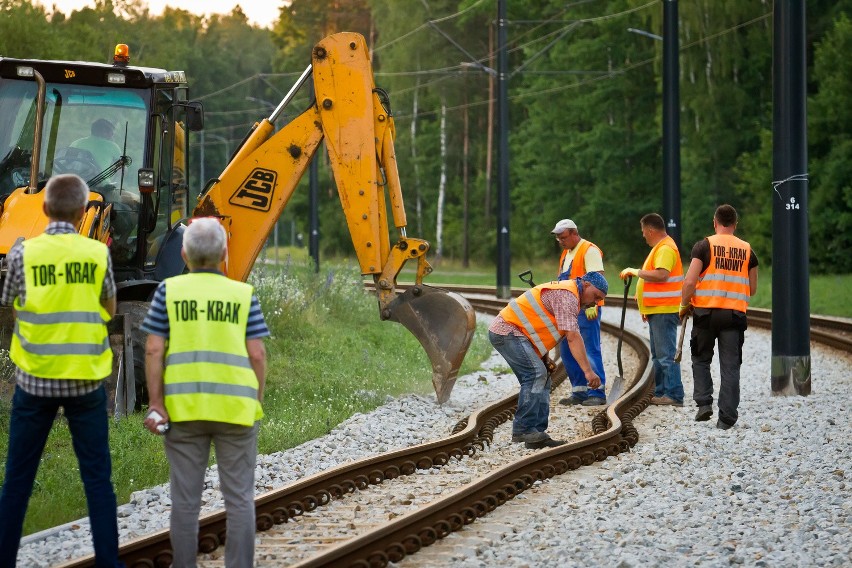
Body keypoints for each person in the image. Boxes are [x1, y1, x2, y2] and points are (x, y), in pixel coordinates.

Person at [0, 174, 123, 568]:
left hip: (33, 382)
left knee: (17, 481)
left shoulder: (22, 254)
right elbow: (109, 310)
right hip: (86, 382)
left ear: (46, 208)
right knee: (97, 480)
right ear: (83, 211)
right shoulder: (97, 255)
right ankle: (108, 562)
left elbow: (12, 306)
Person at [141, 217, 269, 567]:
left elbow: (153, 350)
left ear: (183, 253)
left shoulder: (167, 292)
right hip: (235, 413)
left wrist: (156, 403)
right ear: (224, 253)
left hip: (183, 412)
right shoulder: (243, 295)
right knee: (240, 499)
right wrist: (254, 402)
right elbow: (257, 354)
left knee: (184, 502)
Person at [489, 272, 609, 449]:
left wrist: (544, 356)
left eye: (600, 299)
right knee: (536, 374)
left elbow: (538, 326)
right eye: (596, 296)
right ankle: (524, 429)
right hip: (507, 331)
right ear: (585, 284)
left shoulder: (571, 296)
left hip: (519, 334)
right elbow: (573, 337)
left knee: (544, 376)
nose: (595, 302)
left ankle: (537, 432)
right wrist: (588, 372)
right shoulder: (567, 296)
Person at [679, 204, 758, 430]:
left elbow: (690, 282)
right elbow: (752, 289)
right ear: (735, 224)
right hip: (734, 316)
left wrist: (684, 304)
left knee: (701, 359)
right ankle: (727, 418)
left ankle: (704, 403)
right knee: (730, 366)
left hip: (705, 313)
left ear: (715, 223)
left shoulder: (704, 246)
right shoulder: (748, 251)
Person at [620, 213, 685, 407]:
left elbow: (661, 275)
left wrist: (635, 271)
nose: (643, 236)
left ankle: (673, 394)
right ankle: (663, 392)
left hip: (664, 309)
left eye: (643, 232)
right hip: (658, 308)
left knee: (665, 354)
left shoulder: (665, 248)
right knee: (658, 355)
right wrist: (642, 294)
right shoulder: (661, 247)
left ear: (650, 230)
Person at [551, 219, 608, 406]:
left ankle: (597, 392)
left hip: (586, 308)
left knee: (589, 349)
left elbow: (598, 280)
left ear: (575, 233)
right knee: (567, 350)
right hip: (569, 308)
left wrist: (592, 305)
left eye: (563, 237)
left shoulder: (589, 250)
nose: (560, 240)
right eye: (558, 238)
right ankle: (580, 391)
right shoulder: (566, 253)